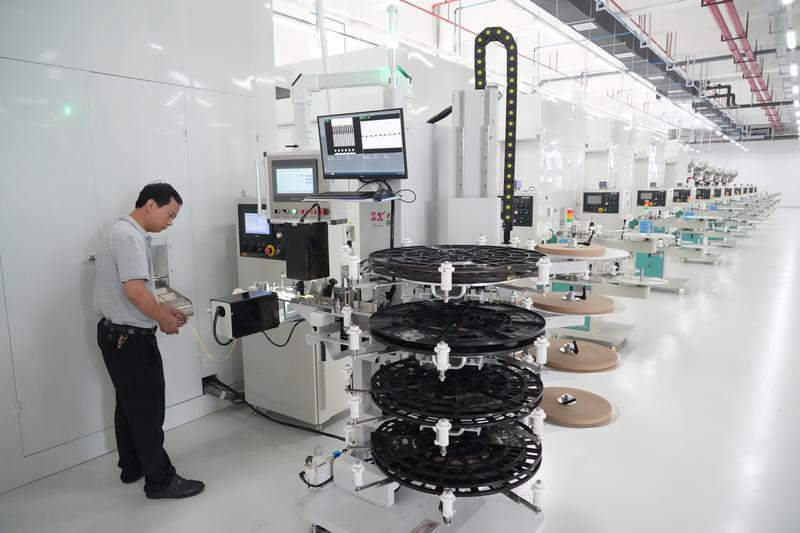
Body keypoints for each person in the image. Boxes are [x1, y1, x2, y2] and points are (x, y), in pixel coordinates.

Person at [94, 182, 204, 499]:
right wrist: (163, 319)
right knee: (147, 410)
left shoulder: (121, 232)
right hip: (129, 340)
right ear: (151, 204)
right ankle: (160, 480)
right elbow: (134, 291)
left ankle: (132, 466)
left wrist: (163, 308)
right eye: (170, 215)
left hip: (115, 334)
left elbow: (136, 291)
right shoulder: (128, 237)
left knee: (129, 404)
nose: (170, 222)